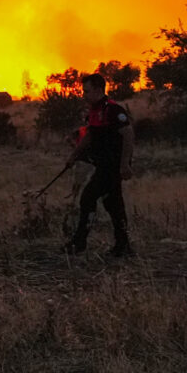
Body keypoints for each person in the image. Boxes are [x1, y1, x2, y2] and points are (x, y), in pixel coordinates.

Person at [64, 72, 135, 257]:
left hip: (112, 166)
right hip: (103, 164)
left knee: (88, 198)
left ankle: (79, 242)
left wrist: (125, 164)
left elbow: (128, 134)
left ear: (97, 90)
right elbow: (90, 135)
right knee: (114, 204)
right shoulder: (95, 111)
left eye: (86, 91)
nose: (84, 95)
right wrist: (74, 155)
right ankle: (123, 246)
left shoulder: (113, 110)